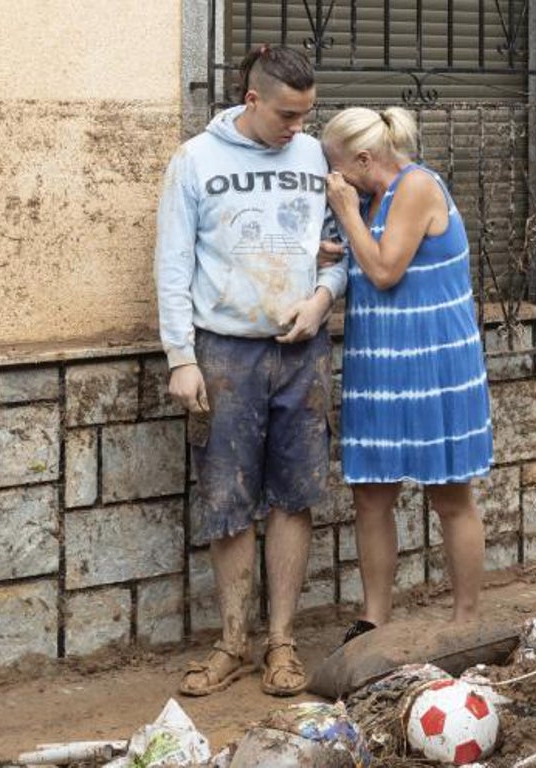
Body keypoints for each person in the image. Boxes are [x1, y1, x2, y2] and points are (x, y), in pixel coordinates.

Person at [154, 44, 347, 697]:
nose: (298, 126)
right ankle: (232, 641)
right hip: (225, 352)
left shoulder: (315, 156)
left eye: (307, 114)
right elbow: (172, 264)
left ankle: (282, 643)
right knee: (227, 500)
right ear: (253, 98)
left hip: (302, 353)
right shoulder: (195, 161)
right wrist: (181, 357)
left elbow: (339, 250)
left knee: (295, 496)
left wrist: (321, 300)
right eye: (288, 114)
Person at [320, 107, 492, 643]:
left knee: (449, 494)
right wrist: (337, 244)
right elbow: (369, 259)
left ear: (366, 159)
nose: (334, 176)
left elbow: (385, 270)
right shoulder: (370, 200)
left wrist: (347, 217)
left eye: (338, 164)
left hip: (434, 362)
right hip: (379, 365)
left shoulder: (417, 186)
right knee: (371, 494)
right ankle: (375, 618)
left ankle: (466, 620)